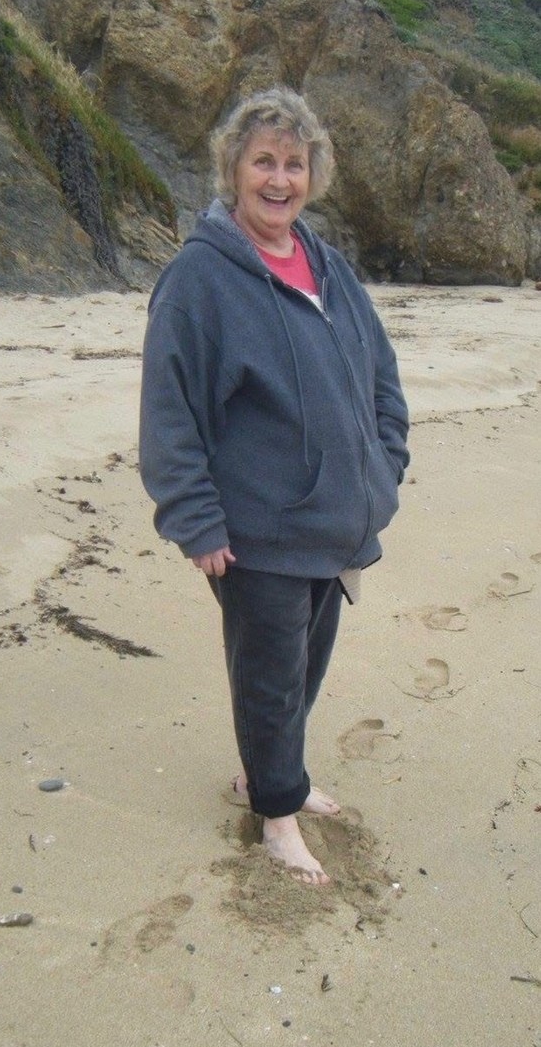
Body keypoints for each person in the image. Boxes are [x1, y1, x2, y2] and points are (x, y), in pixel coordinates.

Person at [139, 87, 409, 886]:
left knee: (302, 669)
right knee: (269, 674)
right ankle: (277, 815)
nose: (279, 179)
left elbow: (380, 373)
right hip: (256, 529)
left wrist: (382, 463)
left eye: (294, 163)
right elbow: (169, 409)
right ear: (234, 168)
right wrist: (195, 519)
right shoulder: (200, 278)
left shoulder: (325, 263)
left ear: (312, 174)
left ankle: (267, 774)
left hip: (336, 522)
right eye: (264, 161)